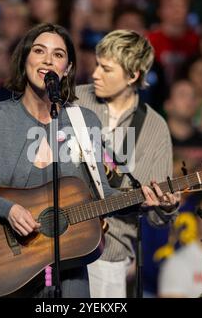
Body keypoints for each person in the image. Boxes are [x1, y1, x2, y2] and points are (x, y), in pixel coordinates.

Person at [0, 23, 177, 298]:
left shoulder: (83, 121)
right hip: (6, 266)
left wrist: (145, 201)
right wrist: (6, 209)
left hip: (69, 270)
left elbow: (104, 195)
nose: (47, 60)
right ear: (24, 59)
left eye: (58, 54)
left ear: (67, 68)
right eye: (39, 51)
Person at [76, 30, 180, 298]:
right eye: (97, 64)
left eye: (106, 69)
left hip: (108, 253)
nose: (96, 73)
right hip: (55, 246)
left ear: (133, 75)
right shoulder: (74, 100)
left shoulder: (155, 128)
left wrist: (166, 206)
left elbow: (157, 219)